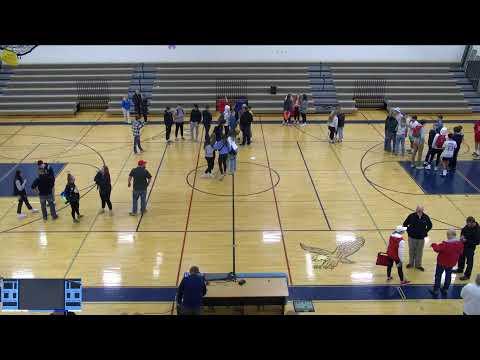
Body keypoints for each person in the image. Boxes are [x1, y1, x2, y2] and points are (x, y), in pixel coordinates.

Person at [429, 229, 464, 297]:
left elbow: (437, 249)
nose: (447, 236)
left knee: (438, 276)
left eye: (448, 234)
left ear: (450, 235)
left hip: (441, 263)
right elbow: (460, 252)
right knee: (448, 275)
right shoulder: (459, 244)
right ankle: (445, 289)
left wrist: (434, 245)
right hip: (451, 263)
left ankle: (436, 290)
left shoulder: (445, 244)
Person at [403, 205, 432, 271]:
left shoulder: (426, 217)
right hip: (411, 237)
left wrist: (425, 232)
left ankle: (418, 265)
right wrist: (409, 231)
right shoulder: (411, 216)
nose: (419, 212)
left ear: (422, 211)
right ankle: (411, 263)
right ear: (416, 210)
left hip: (421, 238)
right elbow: (405, 224)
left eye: (420, 211)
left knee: (419, 251)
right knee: (411, 250)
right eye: (418, 210)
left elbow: (430, 225)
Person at [453, 216, 480, 281]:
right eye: (467, 224)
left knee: (469, 262)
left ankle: (467, 275)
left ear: (472, 223)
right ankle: (460, 269)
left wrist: (466, 240)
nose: (467, 225)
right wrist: (461, 236)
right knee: (461, 257)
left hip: (470, 248)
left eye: (468, 224)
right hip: (463, 245)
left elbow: (477, 242)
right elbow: (463, 230)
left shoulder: (478, 230)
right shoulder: (468, 226)